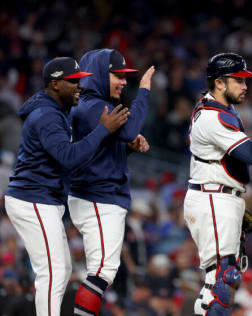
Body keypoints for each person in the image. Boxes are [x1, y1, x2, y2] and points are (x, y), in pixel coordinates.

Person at [4, 57, 129, 316]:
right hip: (32, 199)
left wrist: (122, 145)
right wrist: (103, 130)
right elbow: (69, 157)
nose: (79, 86)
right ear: (55, 84)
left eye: (80, 80)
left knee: (61, 270)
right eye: (72, 82)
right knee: (52, 271)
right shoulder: (47, 115)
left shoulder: (56, 109)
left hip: (41, 198)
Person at [183, 52, 252, 316]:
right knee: (223, 279)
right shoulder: (213, 116)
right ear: (219, 83)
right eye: (238, 80)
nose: (245, 86)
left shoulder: (218, 109)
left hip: (216, 196)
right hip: (213, 198)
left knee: (215, 282)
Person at [67, 49, 154, 316]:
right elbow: (128, 128)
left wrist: (127, 147)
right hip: (97, 197)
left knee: (103, 272)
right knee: (102, 271)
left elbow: (103, 149)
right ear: (100, 75)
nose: (123, 82)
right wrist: (145, 92)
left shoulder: (93, 105)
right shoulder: (92, 105)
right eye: (117, 75)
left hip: (98, 195)